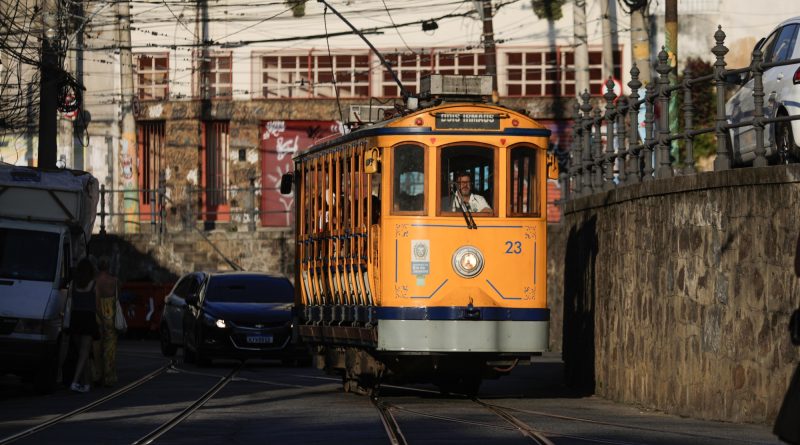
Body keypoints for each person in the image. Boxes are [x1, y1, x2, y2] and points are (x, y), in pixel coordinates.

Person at [67, 257, 100, 393]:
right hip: (88, 318)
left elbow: (70, 302)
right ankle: (75, 382)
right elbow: (97, 306)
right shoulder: (93, 284)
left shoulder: (73, 284)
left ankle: (86, 383)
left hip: (75, 318)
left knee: (82, 352)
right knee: (84, 353)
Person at [92, 256, 120, 387]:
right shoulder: (114, 281)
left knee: (97, 346)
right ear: (108, 267)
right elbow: (117, 298)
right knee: (110, 347)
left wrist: (100, 316)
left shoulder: (96, 281)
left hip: (99, 315)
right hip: (111, 314)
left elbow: (96, 302)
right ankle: (109, 376)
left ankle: (97, 374)